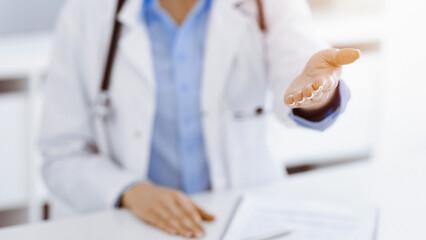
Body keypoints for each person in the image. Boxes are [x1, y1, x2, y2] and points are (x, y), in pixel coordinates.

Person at [39, 0, 359, 238]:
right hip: (135, 226)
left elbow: (300, 69)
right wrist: (130, 191)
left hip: (242, 219)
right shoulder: (87, 12)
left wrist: (316, 94)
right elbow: (62, 154)